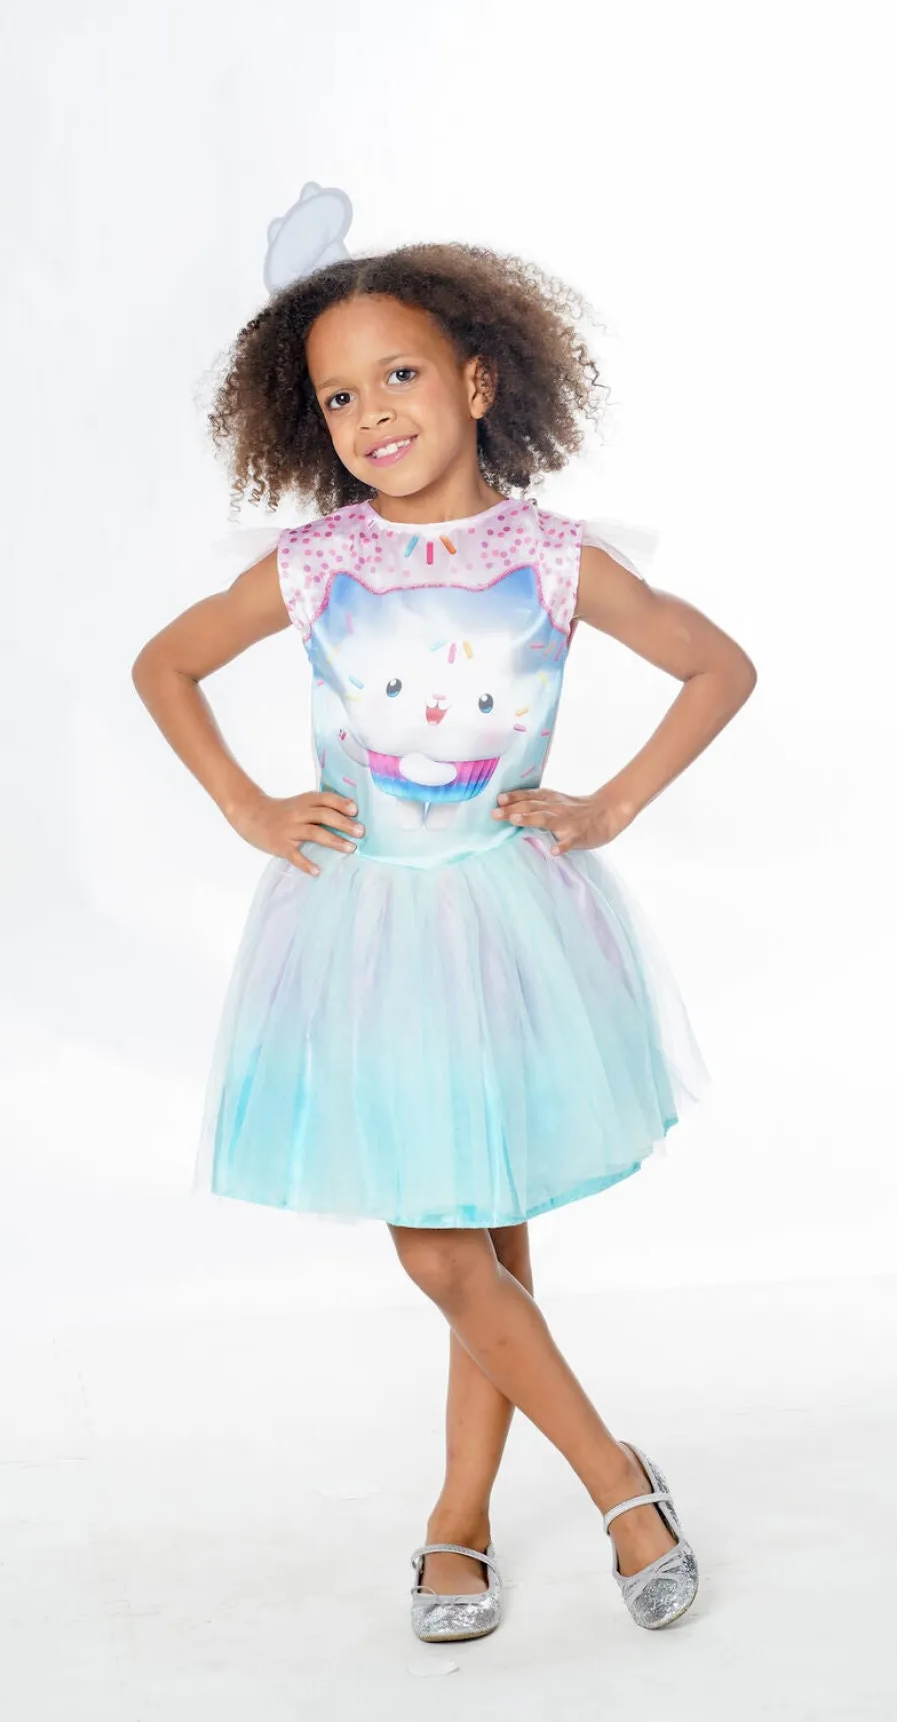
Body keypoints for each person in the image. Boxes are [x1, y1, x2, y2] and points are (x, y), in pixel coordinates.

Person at [131, 206, 757, 1643]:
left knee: (481, 1229)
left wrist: (609, 805)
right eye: (338, 397)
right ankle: (620, 1485)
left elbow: (716, 665)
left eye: (399, 375)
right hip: (365, 934)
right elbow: (166, 663)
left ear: (478, 380)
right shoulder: (318, 564)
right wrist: (247, 805)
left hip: (507, 920)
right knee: (444, 1245)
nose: (370, 414)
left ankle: (461, 1511)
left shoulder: (551, 556)